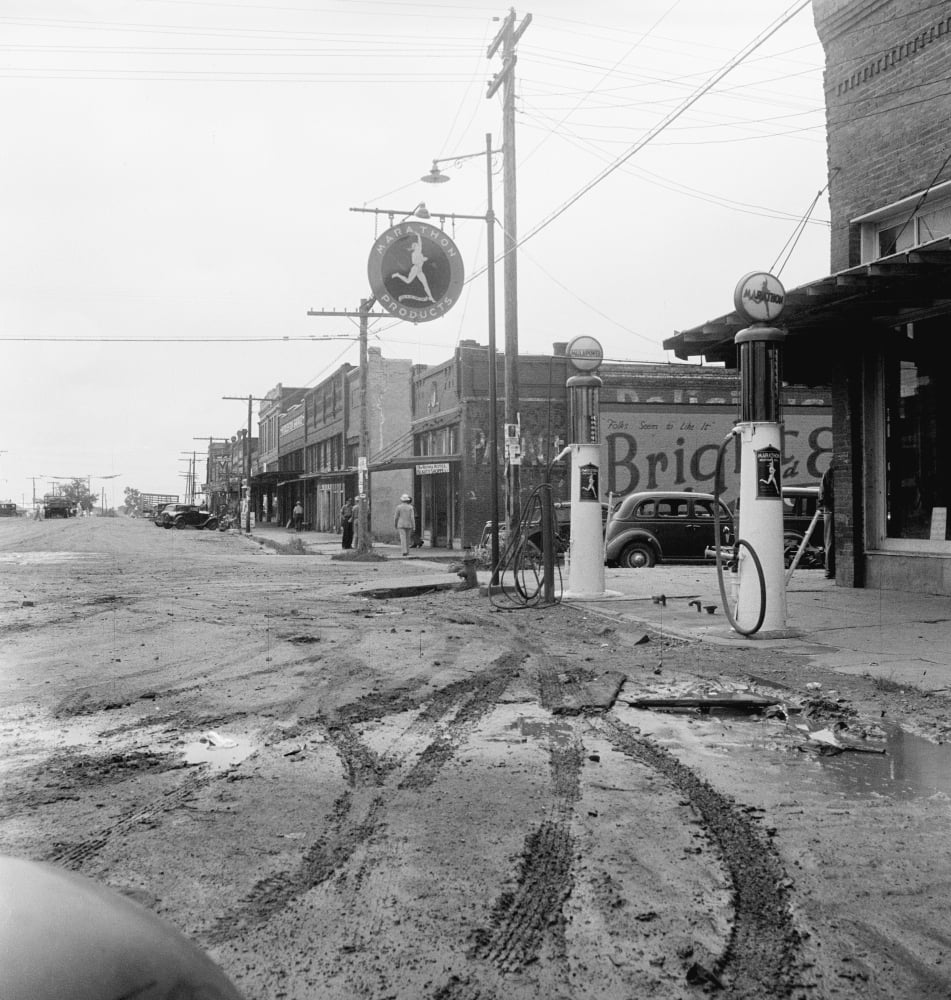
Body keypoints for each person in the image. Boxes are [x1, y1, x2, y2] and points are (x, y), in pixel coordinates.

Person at [820, 461, 834, 579]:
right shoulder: (829, 473)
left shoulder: (829, 473)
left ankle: (830, 570)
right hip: (830, 509)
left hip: (830, 509)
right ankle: (829, 570)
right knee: (830, 540)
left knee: (830, 540)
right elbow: (823, 494)